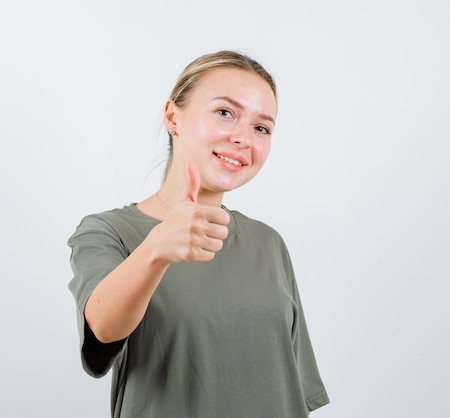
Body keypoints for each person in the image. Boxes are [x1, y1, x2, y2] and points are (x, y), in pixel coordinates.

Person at [67, 50, 329, 417]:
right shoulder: (108, 232)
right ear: (173, 116)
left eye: (261, 128)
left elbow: (290, 394)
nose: (243, 138)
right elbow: (103, 332)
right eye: (225, 112)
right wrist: (157, 248)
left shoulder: (268, 243)